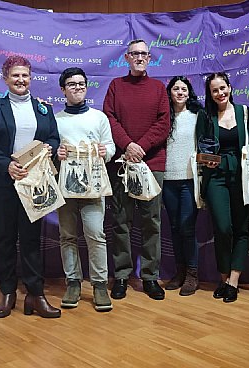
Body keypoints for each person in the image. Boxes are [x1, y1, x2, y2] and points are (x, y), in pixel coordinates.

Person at [0, 55, 61, 319]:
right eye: (15, 75)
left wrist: (51, 147)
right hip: (3, 182)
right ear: (5, 78)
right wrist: (7, 166)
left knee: (32, 240)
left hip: (35, 183)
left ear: (31, 78)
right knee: (5, 238)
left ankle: (35, 295)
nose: (20, 80)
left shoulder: (43, 109)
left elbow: (54, 138)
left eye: (25, 75)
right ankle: (8, 293)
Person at [103, 39, 170, 300]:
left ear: (149, 58)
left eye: (144, 53)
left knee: (151, 222)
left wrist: (139, 147)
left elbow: (164, 123)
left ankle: (150, 277)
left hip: (151, 164)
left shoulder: (158, 88)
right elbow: (109, 118)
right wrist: (128, 146)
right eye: (135, 53)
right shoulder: (116, 86)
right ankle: (121, 275)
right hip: (122, 165)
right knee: (121, 221)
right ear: (127, 58)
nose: (140, 57)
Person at [55, 67, 116, 312]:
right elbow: (50, 149)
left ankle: (100, 285)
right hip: (66, 187)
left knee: (95, 235)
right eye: (72, 84)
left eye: (81, 83)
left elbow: (110, 147)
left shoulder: (99, 118)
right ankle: (73, 282)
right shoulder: (56, 119)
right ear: (63, 89)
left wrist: (105, 152)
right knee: (67, 236)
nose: (78, 87)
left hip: (93, 187)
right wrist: (56, 154)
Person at [196, 72, 249, 303]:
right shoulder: (205, 116)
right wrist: (205, 158)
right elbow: (198, 150)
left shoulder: (244, 112)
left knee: (241, 227)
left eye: (223, 88)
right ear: (210, 94)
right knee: (222, 227)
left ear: (230, 88)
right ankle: (223, 276)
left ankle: (233, 281)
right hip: (215, 177)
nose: (220, 93)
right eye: (215, 90)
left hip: (241, 175)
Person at [162, 76, 202, 296]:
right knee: (175, 228)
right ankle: (179, 272)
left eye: (183, 89)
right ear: (169, 93)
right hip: (168, 180)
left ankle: (192, 275)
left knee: (187, 228)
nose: (179, 92)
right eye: (175, 88)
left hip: (189, 180)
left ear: (189, 93)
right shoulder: (163, 118)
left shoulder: (197, 116)